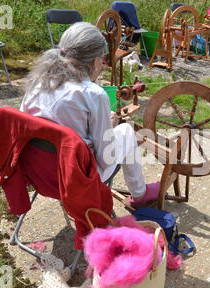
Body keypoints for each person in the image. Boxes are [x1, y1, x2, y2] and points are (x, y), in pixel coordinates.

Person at [20, 22, 159, 207]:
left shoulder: (36, 83)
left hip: (36, 173)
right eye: (101, 59)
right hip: (75, 178)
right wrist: (110, 126)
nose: (102, 65)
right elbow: (104, 157)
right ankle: (140, 194)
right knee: (126, 130)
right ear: (94, 60)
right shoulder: (91, 93)